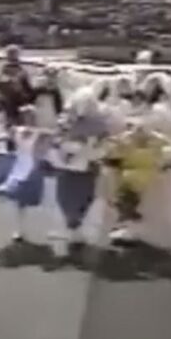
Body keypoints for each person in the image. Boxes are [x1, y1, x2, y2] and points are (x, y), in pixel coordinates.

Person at [0, 105, 55, 242]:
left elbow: (54, 134)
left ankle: (19, 229)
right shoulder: (17, 130)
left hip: (31, 168)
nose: (28, 119)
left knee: (19, 199)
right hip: (18, 166)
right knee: (12, 193)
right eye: (26, 116)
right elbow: (4, 137)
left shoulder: (39, 132)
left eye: (31, 116)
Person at [51, 84, 111, 245]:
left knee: (86, 197)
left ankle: (77, 225)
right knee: (65, 197)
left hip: (88, 166)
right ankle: (72, 227)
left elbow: (104, 144)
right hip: (68, 166)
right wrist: (70, 147)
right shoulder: (65, 120)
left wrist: (92, 151)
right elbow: (56, 139)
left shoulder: (99, 123)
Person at [104, 117, 171, 243]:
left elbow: (170, 147)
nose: (139, 132)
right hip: (127, 171)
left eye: (142, 129)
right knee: (118, 193)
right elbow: (112, 147)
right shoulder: (125, 138)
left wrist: (166, 159)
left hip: (146, 172)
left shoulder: (157, 139)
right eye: (136, 129)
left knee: (126, 193)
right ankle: (128, 222)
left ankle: (131, 222)